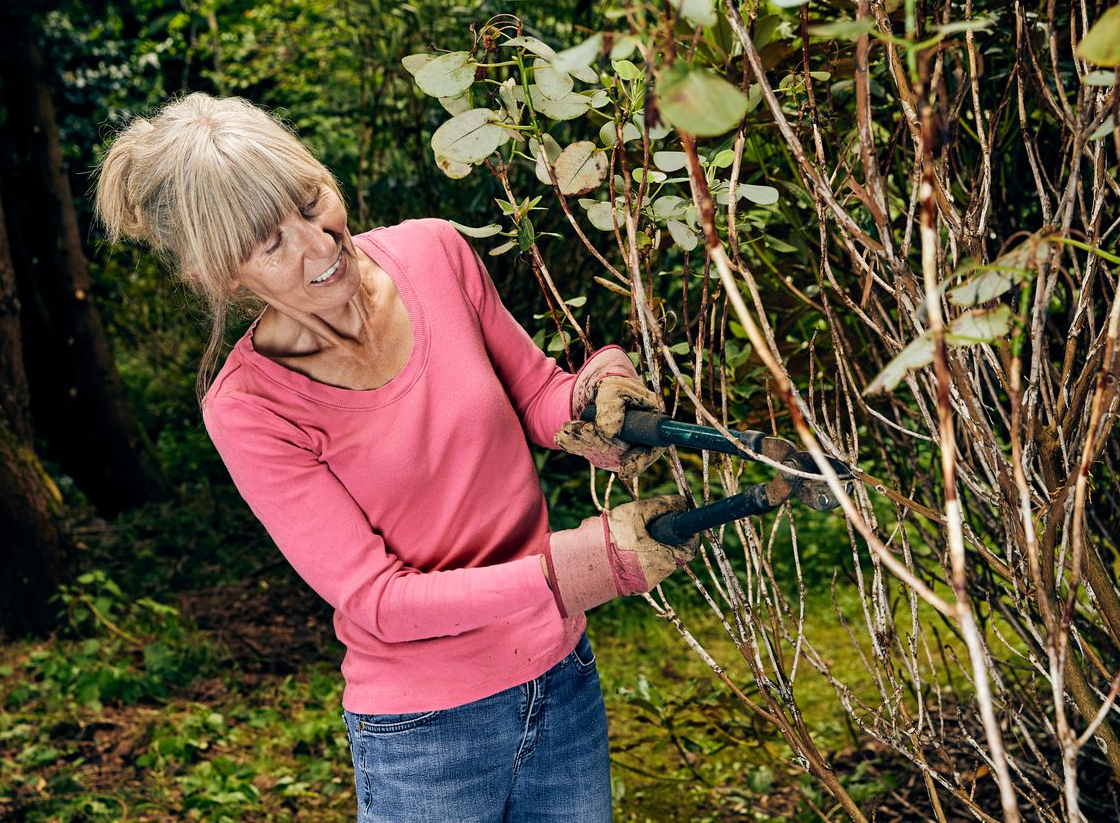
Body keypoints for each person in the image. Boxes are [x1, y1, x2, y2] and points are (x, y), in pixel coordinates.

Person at [92, 92, 700, 822]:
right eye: (269, 242)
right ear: (222, 276)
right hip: (427, 737)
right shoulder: (250, 407)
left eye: (312, 201)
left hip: (561, 678)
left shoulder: (434, 252)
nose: (319, 246)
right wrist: (580, 567)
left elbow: (537, 392)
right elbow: (380, 600)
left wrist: (597, 394)